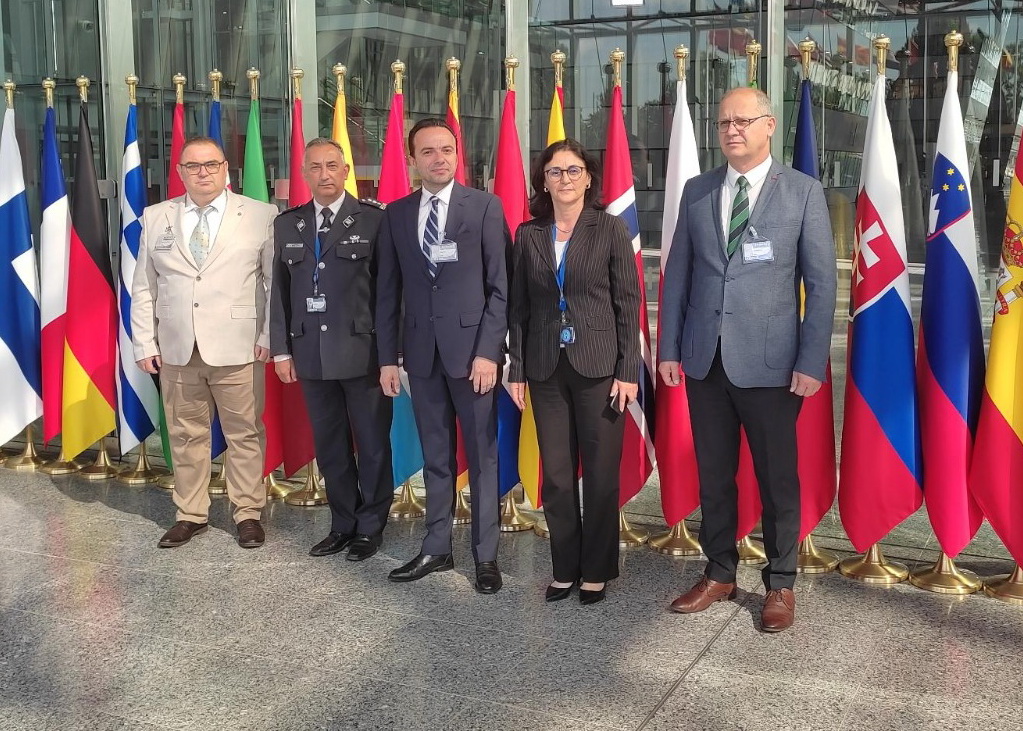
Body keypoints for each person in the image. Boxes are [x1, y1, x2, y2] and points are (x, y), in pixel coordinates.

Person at [658, 87, 837, 632]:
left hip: (772, 364)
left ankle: (780, 582)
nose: (732, 130)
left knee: (777, 479)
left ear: (769, 125)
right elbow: (678, 275)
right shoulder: (697, 190)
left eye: (742, 121)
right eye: (723, 122)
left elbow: (822, 284)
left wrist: (811, 360)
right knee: (714, 475)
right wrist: (670, 348)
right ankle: (719, 572)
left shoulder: (802, 192)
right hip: (704, 361)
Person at [376, 118, 510, 594]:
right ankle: (436, 547)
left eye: (447, 149)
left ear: (458, 154)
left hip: (474, 359)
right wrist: (388, 358)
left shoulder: (485, 207)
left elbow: (501, 287)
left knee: (482, 458)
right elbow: (388, 291)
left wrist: (489, 352)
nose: (439, 158)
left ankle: (485, 555)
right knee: (436, 456)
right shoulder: (396, 213)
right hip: (421, 356)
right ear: (412, 159)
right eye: (428, 151)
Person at [508, 139, 640, 606]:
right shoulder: (528, 234)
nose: (564, 179)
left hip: (600, 368)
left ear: (588, 178)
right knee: (558, 476)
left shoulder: (610, 229)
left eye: (573, 170)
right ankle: (565, 567)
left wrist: (628, 370)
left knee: (600, 474)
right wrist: (517, 369)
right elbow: (518, 308)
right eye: (555, 172)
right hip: (545, 368)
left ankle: (597, 569)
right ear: (543, 181)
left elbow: (628, 303)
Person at [132, 136, 277, 549]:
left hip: (239, 347)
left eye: (211, 164)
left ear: (226, 168)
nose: (203, 173)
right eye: (193, 166)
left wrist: (268, 335)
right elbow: (144, 286)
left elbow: (274, 284)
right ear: (180, 172)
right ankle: (191, 514)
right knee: (185, 435)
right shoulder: (156, 216)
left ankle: (248, 513)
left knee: (244, 434)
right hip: (178, 348)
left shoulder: (260, 215)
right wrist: (144, 342)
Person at [270, 138, 394, 560]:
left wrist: (390, 356)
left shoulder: (374, 220)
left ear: (346, 171)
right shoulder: (289, 224)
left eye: (332, 166)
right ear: (304, 173)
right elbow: (280, 292)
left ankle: (370, 527)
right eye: (315, 167)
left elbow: (388, 293)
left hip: (363, 353)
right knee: (330, 445)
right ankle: (343, 523)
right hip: (311, 353)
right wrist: (282, 351)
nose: (324, 174)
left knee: (372, 444)